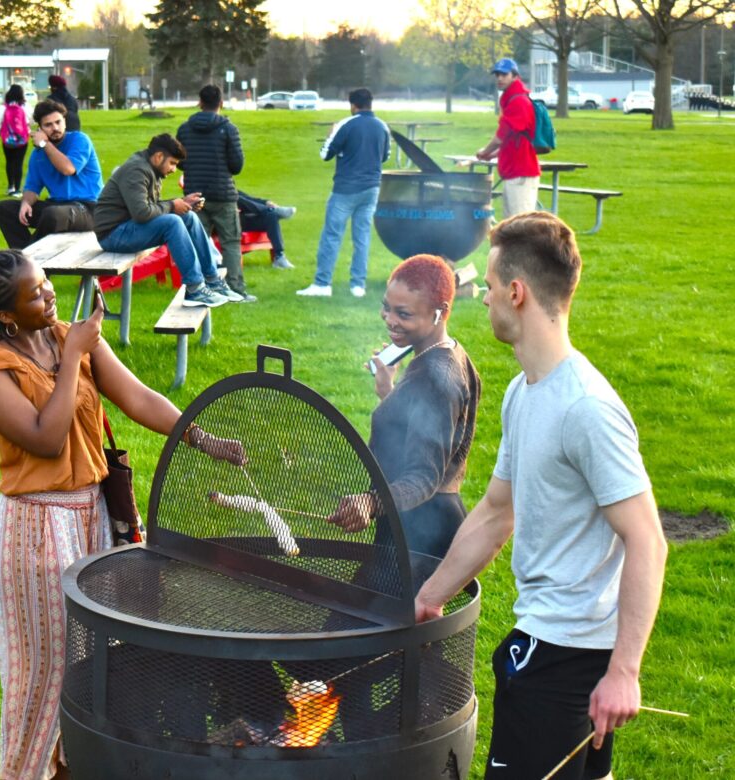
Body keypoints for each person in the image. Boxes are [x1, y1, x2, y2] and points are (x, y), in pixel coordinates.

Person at [0, 249, 246, 780]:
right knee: (46, 670)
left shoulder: (70, 338)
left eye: (46, 284)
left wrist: (204, 440)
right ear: (5, 316)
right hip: (36, 529)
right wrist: (72, 358)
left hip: (91, 517)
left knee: (94, 664)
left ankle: (78, 767)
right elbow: (46, 439)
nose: (48, 294)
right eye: (35, 293)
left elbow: (137, 397)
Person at [414, 212, 668, 780]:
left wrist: (623, 671)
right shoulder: (523, 392)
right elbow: (497, 511)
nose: (481, 298)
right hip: (546, 644)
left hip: (567, 658)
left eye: (488, 285)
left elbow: (647, 539)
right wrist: (431, 595)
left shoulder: (586, 409)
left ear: (517, 292)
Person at [326, 255, 481, 559]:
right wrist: (390, 394)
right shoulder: (443, 354)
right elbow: (423, 428)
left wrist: (371, 503)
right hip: (408, 518)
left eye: (404, 314)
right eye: (387, 307)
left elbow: (424, 476)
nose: (390, 320)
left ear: (440, 313)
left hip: (423, 528)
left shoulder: (438, 378)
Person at [93, 133, 239, 308]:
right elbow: (142, 213)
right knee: (173, 222)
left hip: (128, 227)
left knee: (188, 216)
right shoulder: (137, 170)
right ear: (159, 156)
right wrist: (172, 205)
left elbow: (150, 207)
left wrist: (182, 204)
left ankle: (212, 279)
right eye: (172, 163)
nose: (173, 169)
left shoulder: (150, 169)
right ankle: (194, 289)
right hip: (113, 235)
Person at [298, 87, 391, 299]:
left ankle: (322, 283)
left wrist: (330, 136)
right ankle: (358, 285)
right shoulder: (382, 126)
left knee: (332, 235)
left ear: (353, 105)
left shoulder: (345, 124)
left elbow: (325, 155)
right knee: (362, 237)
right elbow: (385, 156)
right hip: (372, 188)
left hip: (345, 189)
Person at [176, 84, 255, 302]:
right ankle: (235, 288)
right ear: (220, 103)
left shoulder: (184, 129)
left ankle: (199, 287)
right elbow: (236, 165)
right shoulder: (229, 129)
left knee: (195, 243)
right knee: (230, 242)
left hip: (194, 194)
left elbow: (179, 162)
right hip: (223, 194)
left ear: (200, 103)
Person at [0, 100, 103, 250]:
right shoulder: (38, 154)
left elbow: (68, 168)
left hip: (88, 208)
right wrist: (26, 203)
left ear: (65, 121)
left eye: (58, 122)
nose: (55, 128)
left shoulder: (79, 140)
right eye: (48, 125)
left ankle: (29, 260)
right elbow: (32, 187)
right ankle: (26, 256)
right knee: (4, 209)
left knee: (52, 215)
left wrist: (45, 144)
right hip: (58, 205)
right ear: (40, 128)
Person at [476, 58, 541, 218]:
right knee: (511, 225)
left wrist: (485, 151)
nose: (499, 78)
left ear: (515, 76)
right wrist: (493, 155)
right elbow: (510, 140)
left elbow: (500, 137)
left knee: (521, 225)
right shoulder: (510, 99)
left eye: (504, 74)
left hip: (521, 172)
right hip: (513, 171)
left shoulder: (518, 101)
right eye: (497, 74)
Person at [0, 84, 30, 197]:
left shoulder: (3, 108)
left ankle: (11, 186)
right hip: (22, 140)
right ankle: (18, 188)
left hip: (8, 140)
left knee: (10, 162)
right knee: (19, 163)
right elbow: (32, 120)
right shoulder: (25, 107)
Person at [237, 191, 297, 270]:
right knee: (235, 198)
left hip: (240, 218)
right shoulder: (218, 187)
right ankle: (271, 210)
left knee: (271, 216)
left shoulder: (225, 184)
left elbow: (247, 198)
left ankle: (279, 257)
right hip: (227, 222)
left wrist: (265, 202)